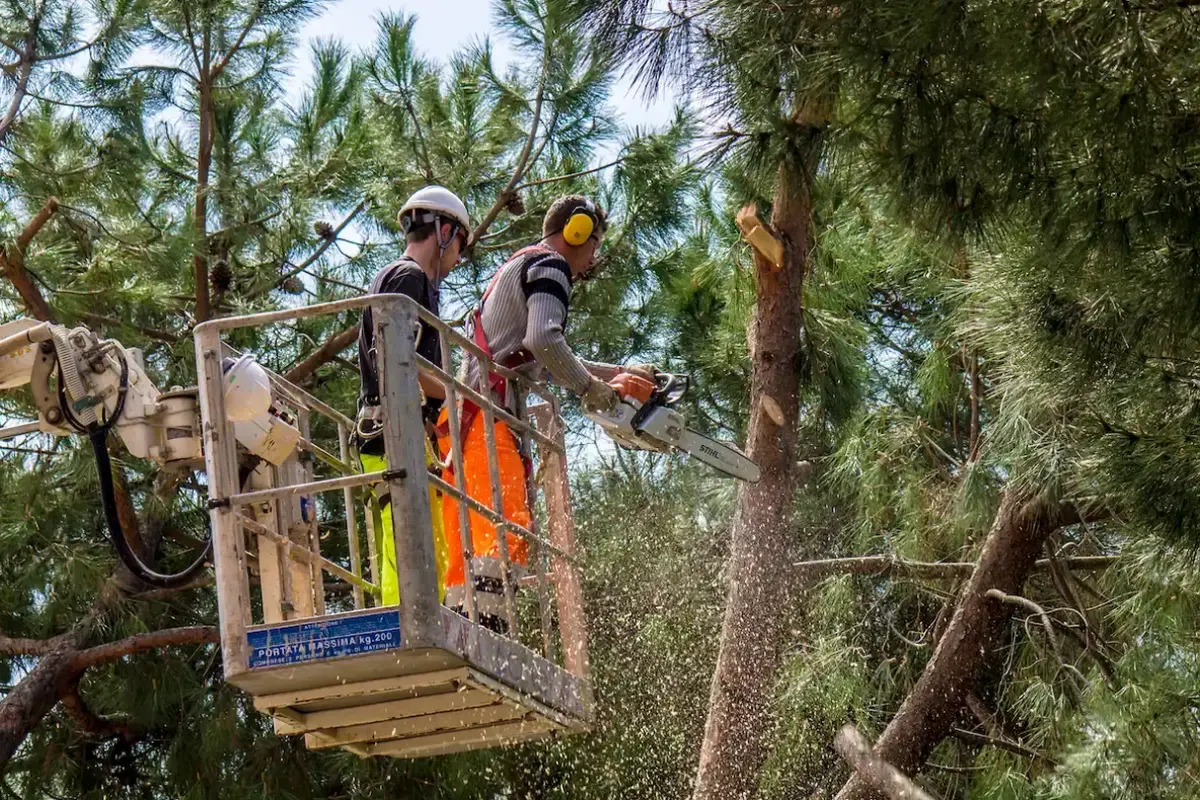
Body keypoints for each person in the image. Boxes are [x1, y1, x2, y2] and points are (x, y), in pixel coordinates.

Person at [437, 195, 655, 631]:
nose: (592, 258)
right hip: (490, 416)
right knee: (507, 527)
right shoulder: (551, 266)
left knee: (472, 538)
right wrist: (592, 391)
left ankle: (463, 629)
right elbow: (544, 339)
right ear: (576, 232)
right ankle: (489, 634)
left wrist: (617, 374)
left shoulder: (519, 266)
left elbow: (539, 359)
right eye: (593, 243)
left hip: (465, 420)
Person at [357, 185, 470, 608]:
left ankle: (405, 621)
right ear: (443, 231)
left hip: (391, 431)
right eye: (459, 244)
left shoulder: (396, 277)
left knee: (407, 542)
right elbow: (399, 361)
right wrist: (458, 396)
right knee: (416, 544)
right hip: (392, 433)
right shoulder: (409, 277)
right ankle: (411, 625)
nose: (458, 259)